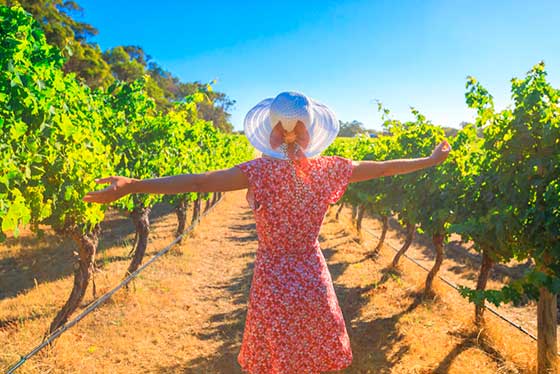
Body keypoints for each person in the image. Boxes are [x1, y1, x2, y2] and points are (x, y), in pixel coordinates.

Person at [83, 91, 450, 373]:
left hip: (273, 277)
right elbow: (385, 169)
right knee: (311, 355)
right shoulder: (329, 169)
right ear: (310, 130)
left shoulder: (257, 173)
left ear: (272, 129)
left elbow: (199, 181)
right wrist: (430, 161)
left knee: (277, 357)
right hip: (311, 274)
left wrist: (133, 185)